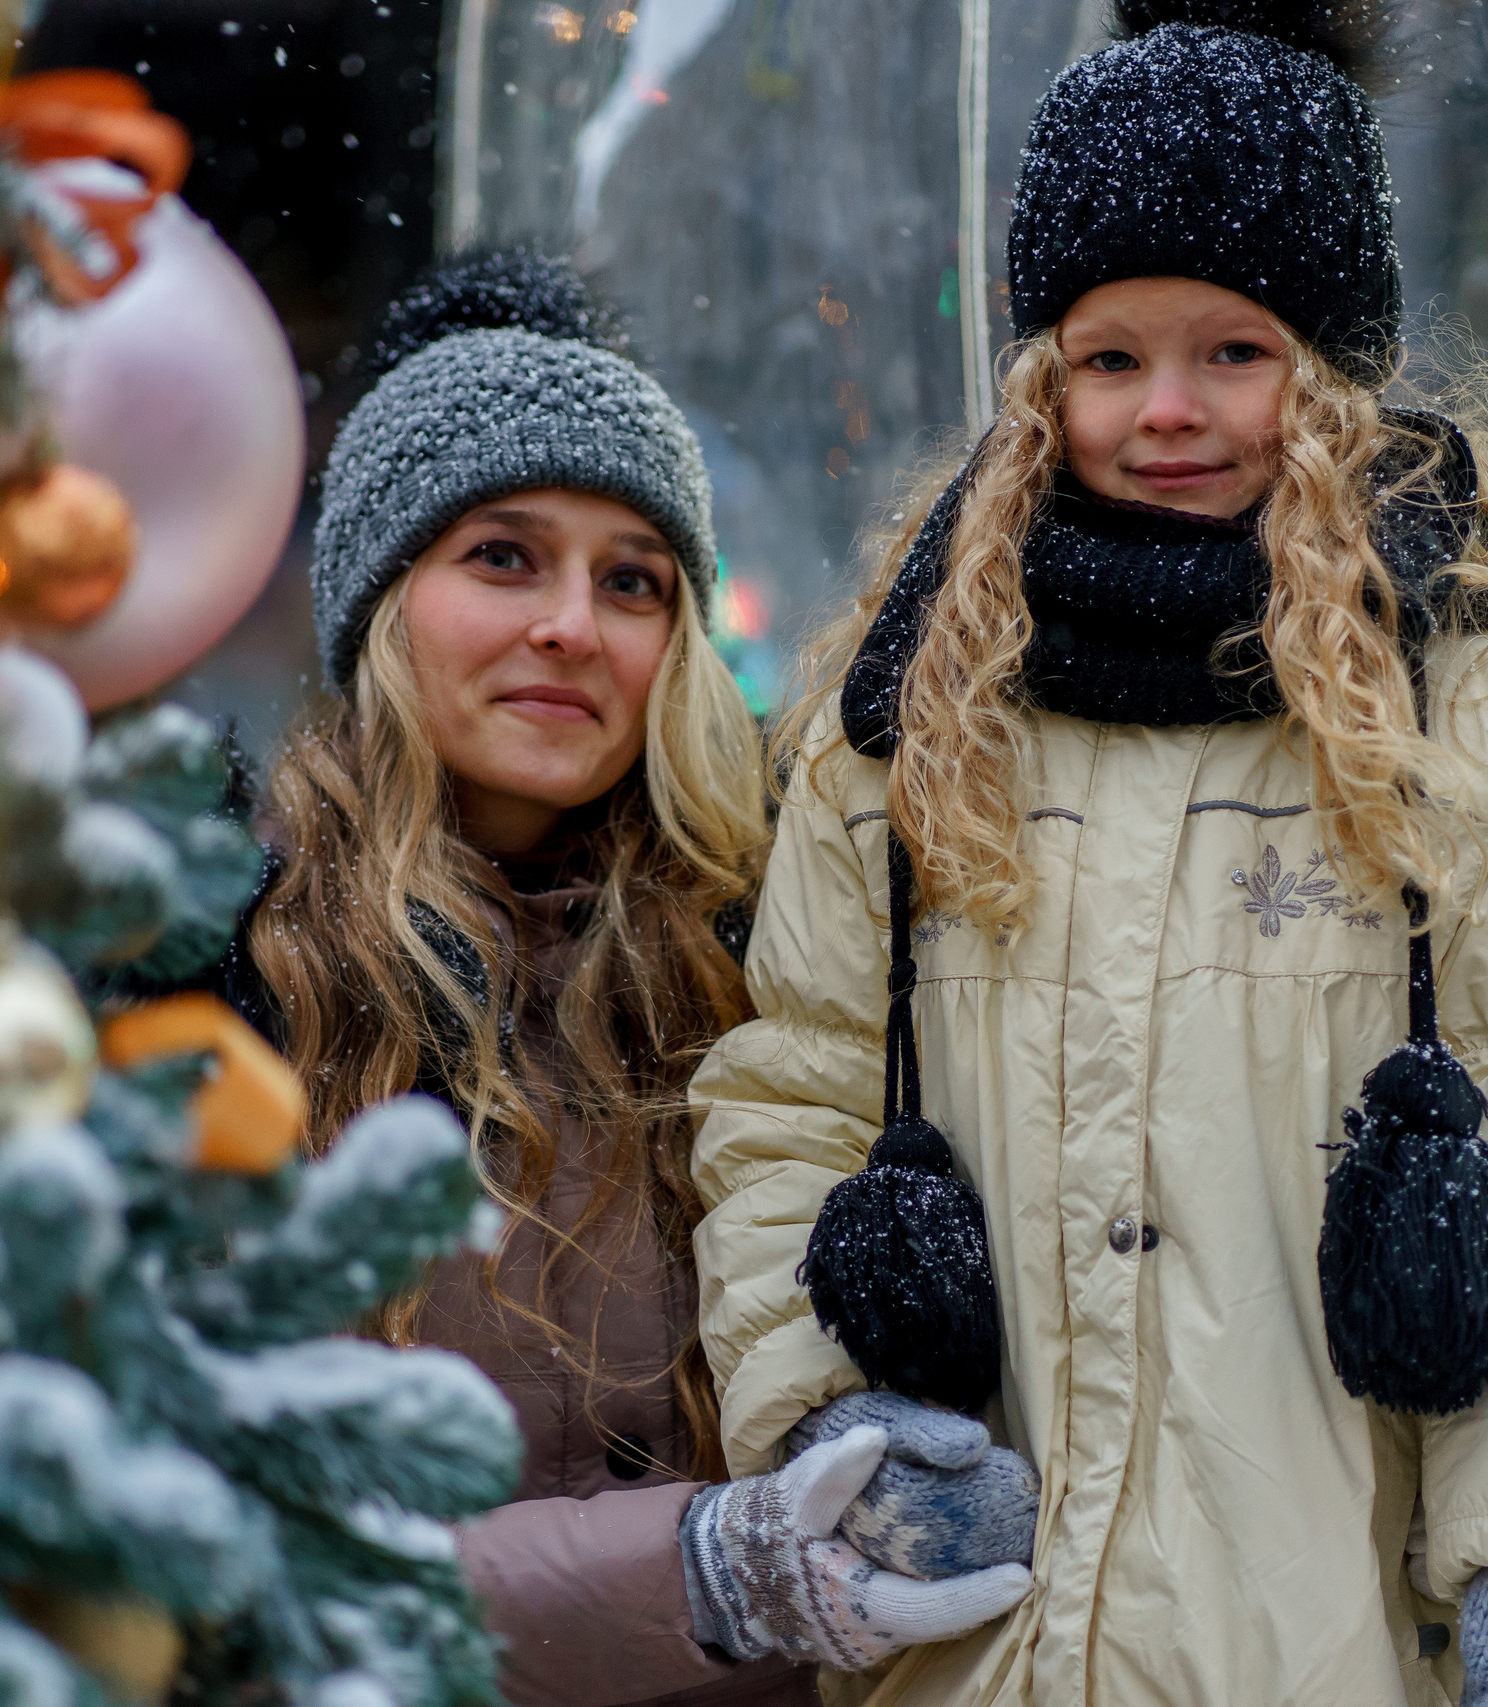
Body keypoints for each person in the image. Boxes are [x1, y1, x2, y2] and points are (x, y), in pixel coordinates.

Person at [687, 7, 1488, 1705]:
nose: (1168, 411)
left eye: (1235, 354)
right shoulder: (908, 731)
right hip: (987, 1663)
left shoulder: (1482, 731)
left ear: (1330, 375)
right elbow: (790, 1108)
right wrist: (841, 1417)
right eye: (1111, 359)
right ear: (1044, 383)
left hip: (1332, 1648)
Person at [219, 254, 1033, 1707]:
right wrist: (700, 1575)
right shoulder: (235, 988)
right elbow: (235, 1558)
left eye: (634, 581)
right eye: (503, 556)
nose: (574, 627)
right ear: (380, 598)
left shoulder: (756, 970)